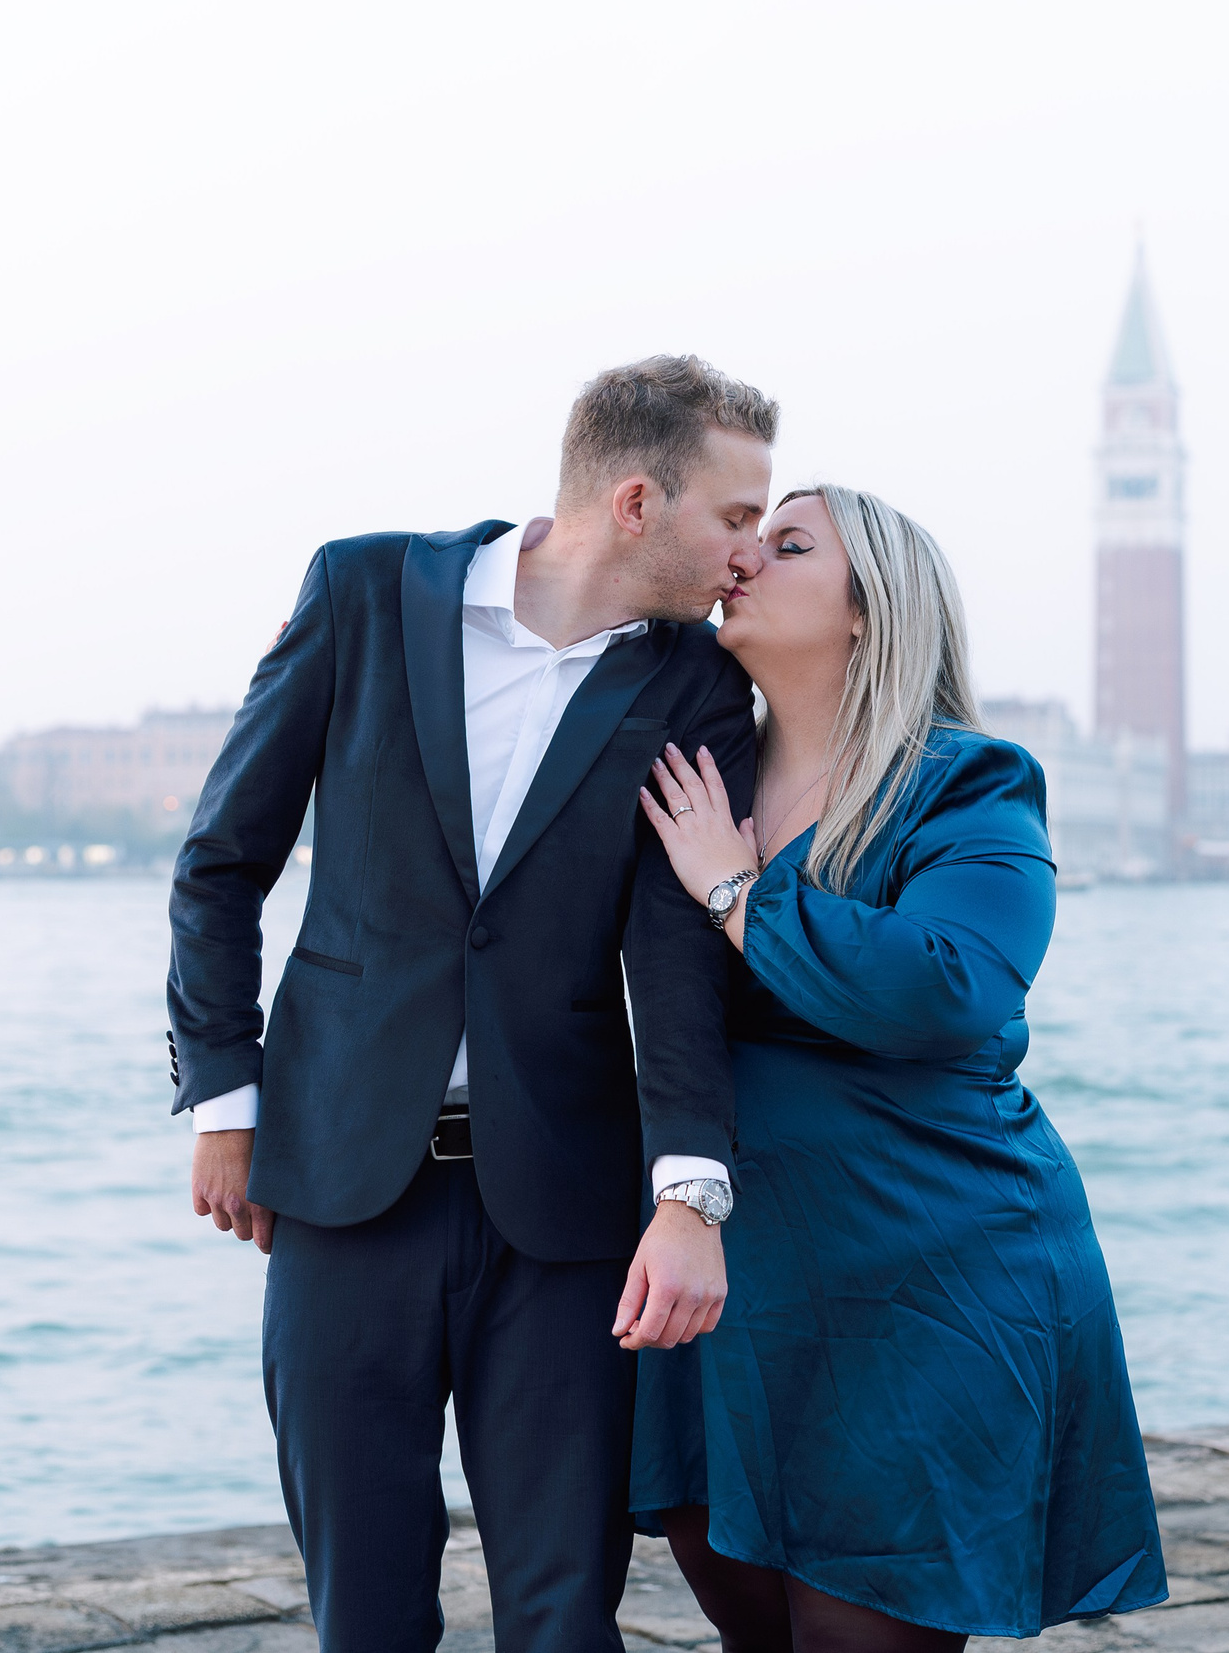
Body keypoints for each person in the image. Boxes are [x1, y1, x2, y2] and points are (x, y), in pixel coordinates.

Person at [166, 355, 778, 1653]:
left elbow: (677, 967)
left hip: (561, 1210)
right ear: (634, 499)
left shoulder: (698, 690)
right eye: (733, 516)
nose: (747, 553)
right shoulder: (368, 590)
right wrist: (225, 1102)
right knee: (366, 1611)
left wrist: (690, 1194)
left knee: (563, 1616)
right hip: (341, 1189)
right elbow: (223, 862)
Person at [630, 485, 1167, 1651]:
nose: (744, 559)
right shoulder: (698, 778)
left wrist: (736, 893)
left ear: (869, 609)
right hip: (739, 1284)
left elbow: (946, 980)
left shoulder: (967, 782)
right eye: (746, 537)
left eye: (788, 544)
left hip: (928, 1283)